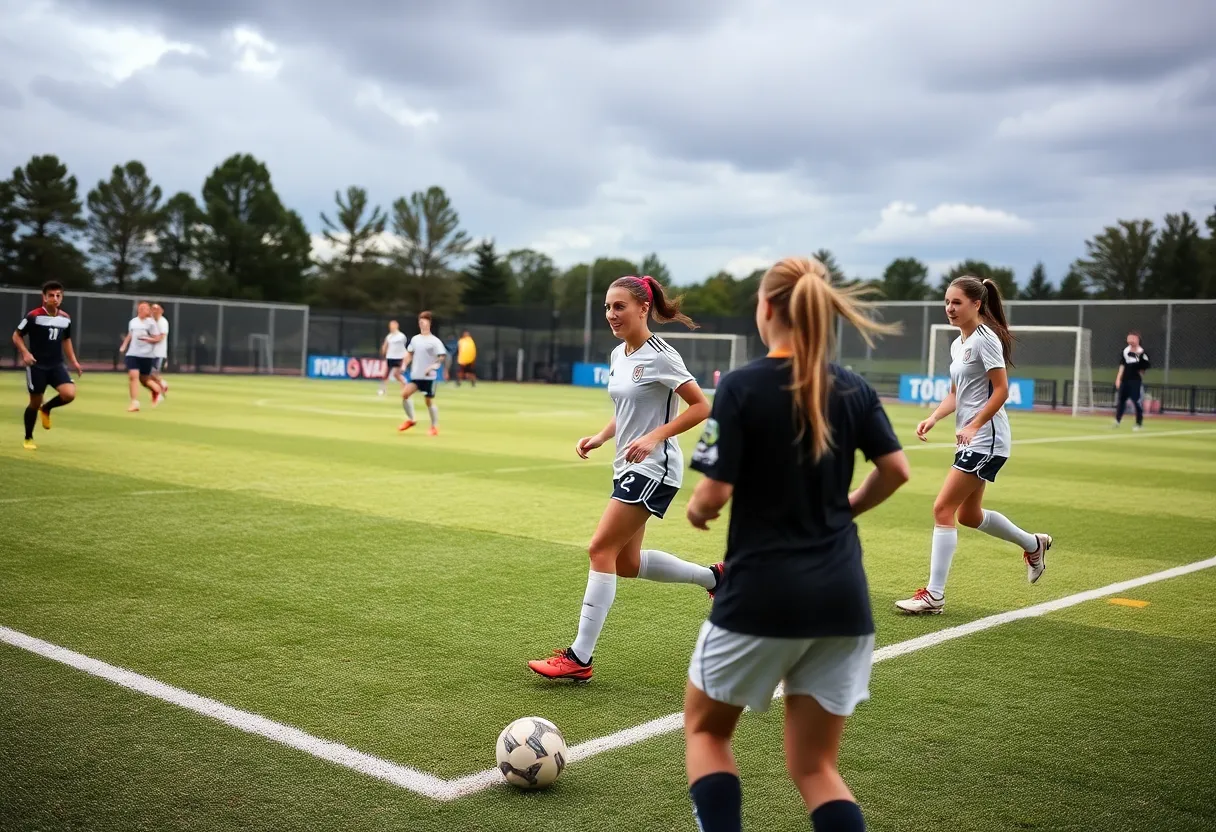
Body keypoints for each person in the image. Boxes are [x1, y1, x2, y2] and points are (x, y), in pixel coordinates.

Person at [680, 257, 909, 832]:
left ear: (767, 309)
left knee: (707, 731)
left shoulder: (740, 385)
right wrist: (848, 506)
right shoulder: (852, 386)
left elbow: (714, 493)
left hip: (761, 594)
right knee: (814, 767)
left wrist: (697, 509)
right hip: (843, 601)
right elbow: (897, 470)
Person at [528, 275, 721, 683]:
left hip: (656, 467)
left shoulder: (662, 356)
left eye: (619, 307)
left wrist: (654, 437)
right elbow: (629, 408)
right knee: (626, 564)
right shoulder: (619, 354)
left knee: (600, 548)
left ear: (642, 308)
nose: (611, 315)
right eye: (607, 307)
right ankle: (715, 577)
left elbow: (701, 407)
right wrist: (601, 436)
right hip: (627, 465)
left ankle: (579, 657)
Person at [895, 276, 1052, 616]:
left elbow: (1002, 391)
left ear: (976, 304)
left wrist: (975, 424)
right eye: (947, 303)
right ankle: (1033, 544)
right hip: (973, 438)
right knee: (968, 515)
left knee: (942, 508)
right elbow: (956, 393)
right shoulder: (958, 344)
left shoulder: (986, 340)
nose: (950, 309)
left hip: (987, 440)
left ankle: (934, 596)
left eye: (957, 303)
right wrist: (934, 417)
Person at [13, 281, 84, 450]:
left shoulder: (65, 318)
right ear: (44, 297)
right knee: (34, 402)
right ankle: (28, 437)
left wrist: (74, 361)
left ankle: (47, 408)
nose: (55, 298)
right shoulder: (33, 316)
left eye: (58, 295)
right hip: (37, 365)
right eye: (51, 295)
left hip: (56, 365)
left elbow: (66, 339)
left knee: (69, 394)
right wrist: (25, 353)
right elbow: (16, 335)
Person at [398, 311, 446, 436]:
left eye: (424, 321)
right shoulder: (415, 339)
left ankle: (434, 427)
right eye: (420, 321)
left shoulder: (435, 341)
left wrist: (434, 366)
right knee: (405, 394)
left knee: (428, 401)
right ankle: (411, 419)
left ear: (429, 323)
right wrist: (404, 365)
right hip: (416, 375)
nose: (422, 323)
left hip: (429, 378)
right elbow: (409, 353)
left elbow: (441, 357)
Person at [118, 301, 165, 412]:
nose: (143, 310)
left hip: (147, 355)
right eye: (141, 308)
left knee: (144, 379)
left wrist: (149, 339)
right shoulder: (133, 322)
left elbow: (158, 338)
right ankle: (134, 402)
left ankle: (157, 390)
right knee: (133, 376)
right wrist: (124, 345)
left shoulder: (151, 323)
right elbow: (130, 334)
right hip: (133, 354)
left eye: (146, 308)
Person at [1114, 330, 1150, 431]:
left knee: (1137, 402)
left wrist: (1139, 365)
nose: (1130, 340)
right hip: (1125, 380)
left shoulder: (1142, 353)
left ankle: (1139, 423)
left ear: (1138, 340)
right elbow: (1122, 366)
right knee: (1121, 401)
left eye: (1133, 338)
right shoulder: (1125, 351)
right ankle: (1117, 421)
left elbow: (1144, 369)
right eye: (1129, 338)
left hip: (1135, 381)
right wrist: (1118, 379)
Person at [378, 320, 409, 396]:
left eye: (392, 326)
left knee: (396, 374)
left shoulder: (401, 336)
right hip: (390, 357)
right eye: (390, 326)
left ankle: (404, 387)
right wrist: (383, 351)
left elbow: (405, 347)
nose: (391, 328)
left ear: (396, 326)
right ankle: (383, 390)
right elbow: (385, 345)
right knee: (386, 375)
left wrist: (405, 357)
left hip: (399, 357)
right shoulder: (389, 336)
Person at [150, 303, 170, 396]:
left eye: (157, 309)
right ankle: (162, 386)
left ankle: (160, 389)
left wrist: (150, 339)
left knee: (154, 374)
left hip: (159, 353)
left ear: (161, 311)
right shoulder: (151, 322)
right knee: (150, 374)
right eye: (153, 308)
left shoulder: (163, 322)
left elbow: (161, 337)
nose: (155, 310)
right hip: (150, 353)